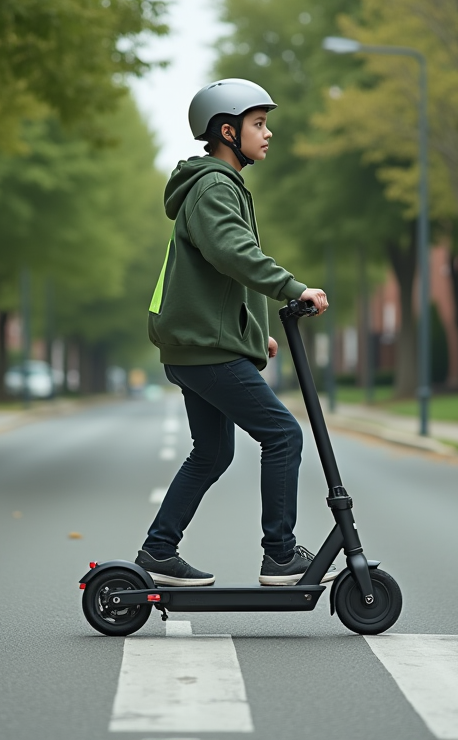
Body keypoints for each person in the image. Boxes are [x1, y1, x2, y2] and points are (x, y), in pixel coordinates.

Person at [137, 78, 337, 587]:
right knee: (283, 435)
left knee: (212, 453)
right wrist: (294, 287)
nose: (268, 134)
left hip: (200, 344)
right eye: (258, 124)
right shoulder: (214, 187)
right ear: (228, 131)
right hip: (203, 349)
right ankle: (280, 556)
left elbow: (221, 277)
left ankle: (158, 552)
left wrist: (252, 335)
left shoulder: (217, 186)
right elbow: (234, 254)